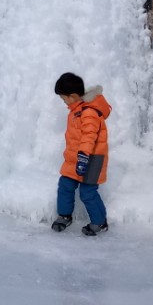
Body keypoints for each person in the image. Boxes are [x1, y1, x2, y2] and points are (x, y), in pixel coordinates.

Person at [51, 72, 112, 237]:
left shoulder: (89, 112)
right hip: (75, 158)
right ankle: (64, 215)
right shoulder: (76, 111)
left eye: (64, 99)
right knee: (65, 185)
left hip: (91, 158)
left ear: (73, 96)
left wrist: (83, 157)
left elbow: (89, 136)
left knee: (87, 192)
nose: (64, 102)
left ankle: (100, 222)